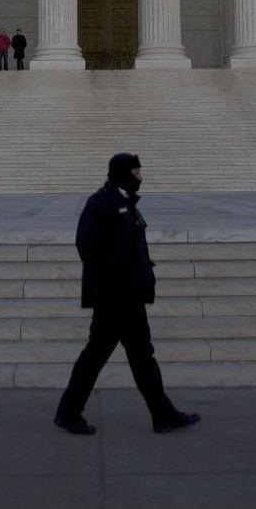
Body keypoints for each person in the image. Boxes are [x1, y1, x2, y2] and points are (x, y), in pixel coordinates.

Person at [53, 153, 201, 436]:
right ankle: (68, 412)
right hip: (115, 297)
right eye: (136, 172)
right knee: (105, 354)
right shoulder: (102, 203)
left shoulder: (124, 202)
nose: (140, 177)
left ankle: (162, 414)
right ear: (123, 173)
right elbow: (87, 246)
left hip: (128, 295)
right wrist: (117, 280)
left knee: (138, 354)